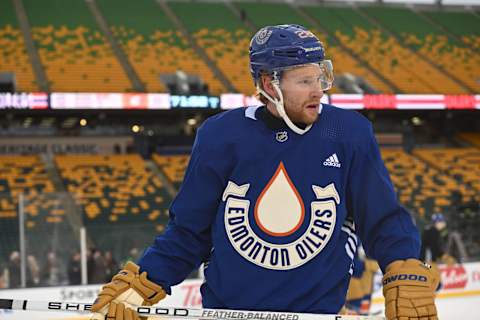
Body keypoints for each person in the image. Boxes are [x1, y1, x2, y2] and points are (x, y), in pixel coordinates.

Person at [90, 24, 439, 320]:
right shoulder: (220, 136)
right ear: (269, 83)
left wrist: (403, 265)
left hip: (317, 314)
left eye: (320, 77)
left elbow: (382, 217)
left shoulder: (347, 132)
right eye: (304, 81)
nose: (319, 90)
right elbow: (189, 232)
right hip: (228, 313)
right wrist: (141, 284)